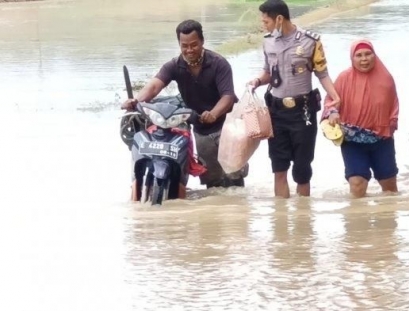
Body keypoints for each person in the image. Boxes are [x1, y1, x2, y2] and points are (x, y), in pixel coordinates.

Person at [121, 19, 247, 193]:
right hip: (201, 128)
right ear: (179, 44)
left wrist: (214, 113)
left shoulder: (219, 63)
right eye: (184, 46)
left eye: (194, 45)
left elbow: (228, 96)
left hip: (228, 127)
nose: (189, 50)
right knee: (213, 183)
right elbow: (155, 85)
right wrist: (137, 101)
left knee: (234, 177)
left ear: (202, 41)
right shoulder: (174, 65)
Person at [248, 0, 341, 198]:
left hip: (303, 111)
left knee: (302, 170)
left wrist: (334, 96)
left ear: (279, 19)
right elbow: (268, 72)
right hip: (276, 112)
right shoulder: (268, 41)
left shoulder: (311, 41)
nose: (264, 25)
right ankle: (281, 222)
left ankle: (302, 220)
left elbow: (322, 74)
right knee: (278, 167)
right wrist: (256, 81)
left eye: (266, 21)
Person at [321, 39, 399, 198]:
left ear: (374, 55)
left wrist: (389, 125)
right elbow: (331, 100)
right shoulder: (344, 78)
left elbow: (394, 106)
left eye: (368, 54)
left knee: (389, 187)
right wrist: (333, 111)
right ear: (352, 58)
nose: (364, 59)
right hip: (352, 140)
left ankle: (388, 220)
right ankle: (357, 220)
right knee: (357, 184)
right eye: (359, 55)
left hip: (381, 139)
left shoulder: (386, 79)